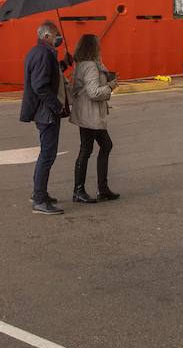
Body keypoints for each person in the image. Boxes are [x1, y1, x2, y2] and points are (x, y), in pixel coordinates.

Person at [20, 21, 65, 215]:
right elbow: (40, 85)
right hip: (46, 113)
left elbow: (46, 76)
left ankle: (40, 193)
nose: (58, 38)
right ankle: (39, 199)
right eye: (56, 35)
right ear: (47, 36)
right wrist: (56, 106)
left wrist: (63, 64)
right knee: (47, 155)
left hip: (42, 112)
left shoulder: (37, 52)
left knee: (46, 154)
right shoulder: (45, 54)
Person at [68, 34, 119, 204]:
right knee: (97, 147)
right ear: (92, 47)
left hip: (85, 114)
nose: (100, 46)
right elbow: (94, 93)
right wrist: (110, 86)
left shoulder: (81, 65)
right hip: (91, 115)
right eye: (97, 44)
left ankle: (92, 189)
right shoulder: (90, 66)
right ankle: (84, 190)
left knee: (90, 147)